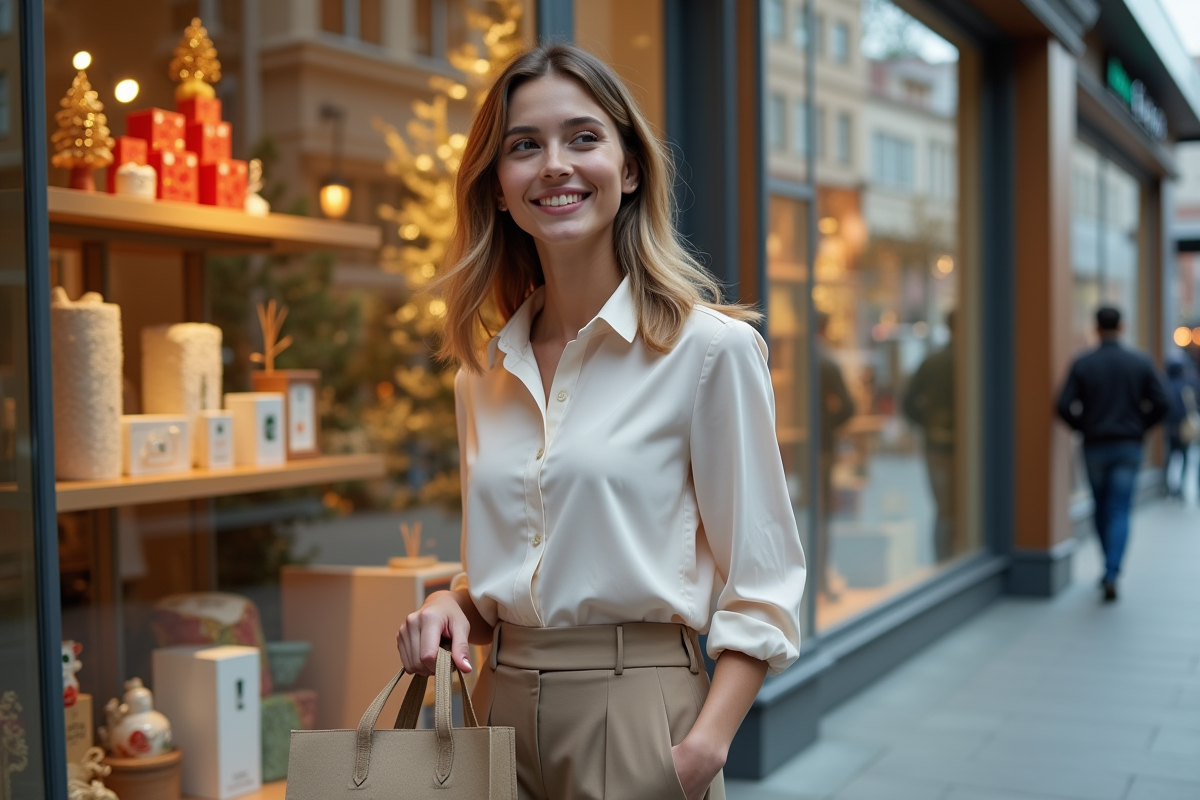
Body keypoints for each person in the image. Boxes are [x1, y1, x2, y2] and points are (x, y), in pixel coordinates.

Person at [395, 44, 805, 800]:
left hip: (639, 715)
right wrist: (445, 605)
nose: (554, 164)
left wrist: (702, 750)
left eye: (583, 138)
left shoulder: (710, 353)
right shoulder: (483, 374)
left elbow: (764, 582)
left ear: (631, 168)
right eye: (525, 146)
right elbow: (498, 585)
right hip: (495, 713)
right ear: (497, 190)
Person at [1056, 306, 1168, 602]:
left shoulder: (1084, 363)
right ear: (1123, 327)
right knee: (1119, 509)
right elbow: (1163, 402)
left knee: (1101, 506)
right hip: (1127, 446)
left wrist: (1084, 427)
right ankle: (1112, 570)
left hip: (1095, 445)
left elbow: (1062, 405)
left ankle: (1109, 567)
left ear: (1096, 328)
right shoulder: (1138, 362)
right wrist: (1140, 426)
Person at [903, 311, 957, 562]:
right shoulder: (971, 361)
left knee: (944, 509)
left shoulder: (933, 361)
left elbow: (907, 403)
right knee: (959, 508)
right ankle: (951, 561)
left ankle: (944, 561)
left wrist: (928, 424)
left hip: (936, 444)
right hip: (960, 446)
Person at [816, 312, 854, 599]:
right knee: (820, 515)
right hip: (822, 448)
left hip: (791, 449)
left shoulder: (794, 356)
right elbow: (848, 407)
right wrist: (827, 423)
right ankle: (819, 580)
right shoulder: (826, 360)